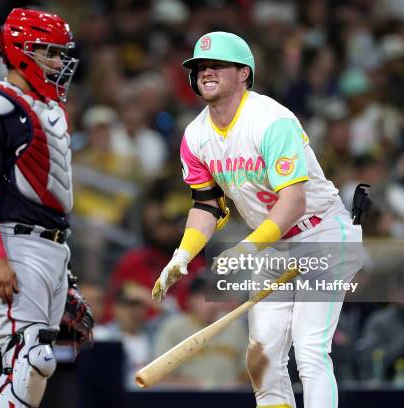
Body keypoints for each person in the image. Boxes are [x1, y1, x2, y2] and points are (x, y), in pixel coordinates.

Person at [152, 32, 364, 408]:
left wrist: (248, 247)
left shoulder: (271, 120)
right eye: (200, 67)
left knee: (310, 348)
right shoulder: (195, 135)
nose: (206, 72)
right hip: (272, 241)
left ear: (243, 74)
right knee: (262, 355)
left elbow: (294, 201)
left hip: (323, 232)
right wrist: (182, 255)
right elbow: (206, 205)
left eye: (217, 65)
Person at [0, 9, 92, 407]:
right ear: (24, 51)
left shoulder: (48, 108)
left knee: (36, 365)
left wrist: (64, 276)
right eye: (51, 53)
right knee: (30, 355)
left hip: (50, 247)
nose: (59, 63)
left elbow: (51, 204)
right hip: (12, 244)